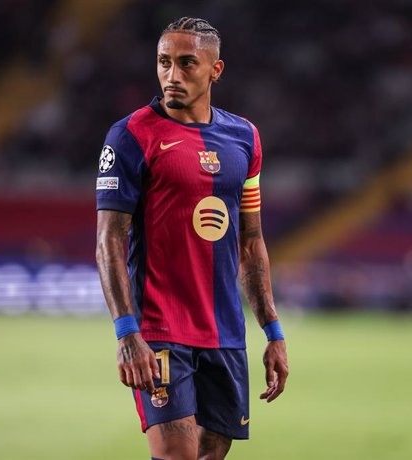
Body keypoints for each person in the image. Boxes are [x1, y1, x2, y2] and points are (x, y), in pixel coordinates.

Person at [95, 17, 289, 460]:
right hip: (160, 331)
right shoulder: (129, 137)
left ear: (215, 71)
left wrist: (273, 331)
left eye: (187, 64)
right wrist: (128, 333)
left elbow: (251, 242)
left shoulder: (244, 138)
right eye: (164, 62)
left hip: (224, 333)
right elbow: (109, 241)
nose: (172, 75)